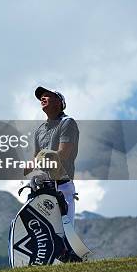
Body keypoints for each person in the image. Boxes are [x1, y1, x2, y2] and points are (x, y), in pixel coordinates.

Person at [29, 86, 79, 225]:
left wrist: (43, 171)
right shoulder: (40, 130)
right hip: (42, 188)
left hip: (62, 187)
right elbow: (35, 158)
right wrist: (32, 174)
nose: (42, 99)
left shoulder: (68, 123)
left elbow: (63, 153)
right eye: (41, 97)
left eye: (47, 95)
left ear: (58, 102)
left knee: (63, 234)